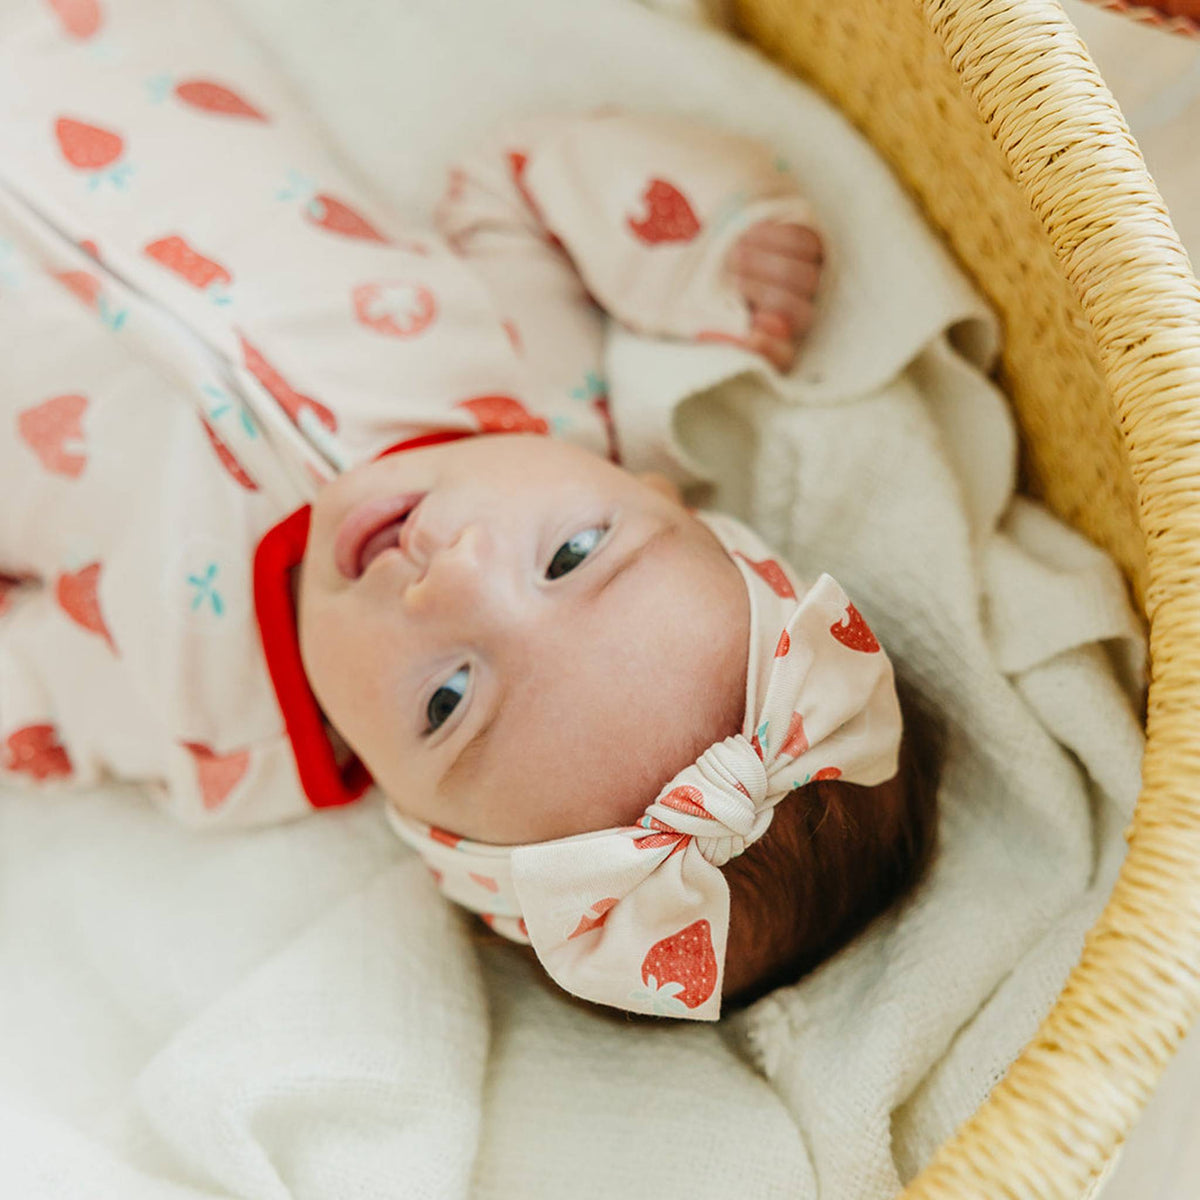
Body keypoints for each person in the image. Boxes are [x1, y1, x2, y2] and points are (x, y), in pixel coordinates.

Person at [0, 0, 937, 1018]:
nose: (449, 575)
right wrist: (704, 248)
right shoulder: (527, 381)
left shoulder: (224, 731)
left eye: (448, 701)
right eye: (573, 553)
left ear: (418, 820)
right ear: (652, 493)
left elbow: (29, 691)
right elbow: (519, 176)